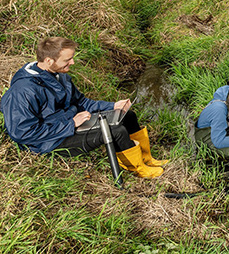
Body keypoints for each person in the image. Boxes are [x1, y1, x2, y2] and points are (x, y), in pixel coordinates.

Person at [0, 37, 167, 179]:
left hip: (71, 125)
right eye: (67, 60)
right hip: (49, 142)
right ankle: (136, 168)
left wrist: (113, 106)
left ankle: (146, 158)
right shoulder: (23, 90)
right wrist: (71, 124)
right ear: (49, 61)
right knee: (115, 130)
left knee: (127, 115)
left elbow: (81, 102)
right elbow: (22, 133)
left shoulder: (59, 75)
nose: (72, 62)